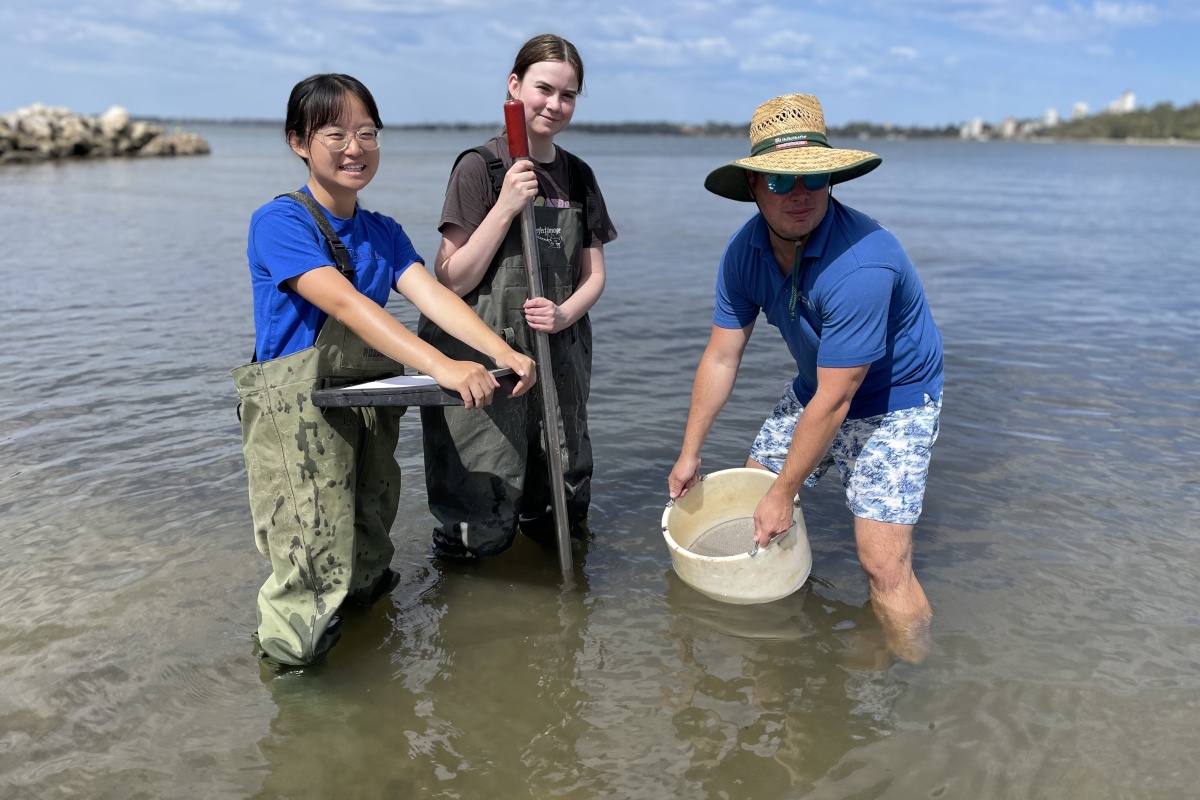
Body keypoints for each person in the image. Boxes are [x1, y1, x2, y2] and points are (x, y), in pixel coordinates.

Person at [232, 73, 536, 669]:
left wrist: (501, 351)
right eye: (336, 133)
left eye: (368, 133)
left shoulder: (384, 232)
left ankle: (372, 676)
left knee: (370, 539)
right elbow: (349, 305)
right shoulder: (280, 223)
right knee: (310, 553)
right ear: (298, 141)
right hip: (294, 415)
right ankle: (299, 696)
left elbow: (436, 297)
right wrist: (444, 365)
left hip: (368, 404)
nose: (355, 147)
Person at [667, 94, 944, 660]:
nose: (797, 196)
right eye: (778, 182)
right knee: (752, 495)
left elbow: (840, 397)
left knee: (881, 562)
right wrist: (689, 451)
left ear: (831, 182)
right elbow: (722, 356)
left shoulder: (864, 262)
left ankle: (920, 681)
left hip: (894, 397)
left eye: (811, 181)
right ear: (752, 187)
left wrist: (786, 489)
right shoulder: (744, 252)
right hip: (820, 385)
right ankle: (781, 652)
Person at [419, 34, 617, 560]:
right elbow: (452, 278)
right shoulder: (478, 168)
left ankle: (555, 617)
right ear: (515, 86)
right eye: (543, 89)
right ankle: (481, 621)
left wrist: (564, 312)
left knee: (560, 495)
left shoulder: (578, 175)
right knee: (480, 504)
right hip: (486, 357)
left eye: (568, 95)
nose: (555, 104)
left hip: (560, 354)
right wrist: (506, 204)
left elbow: (593, 275)